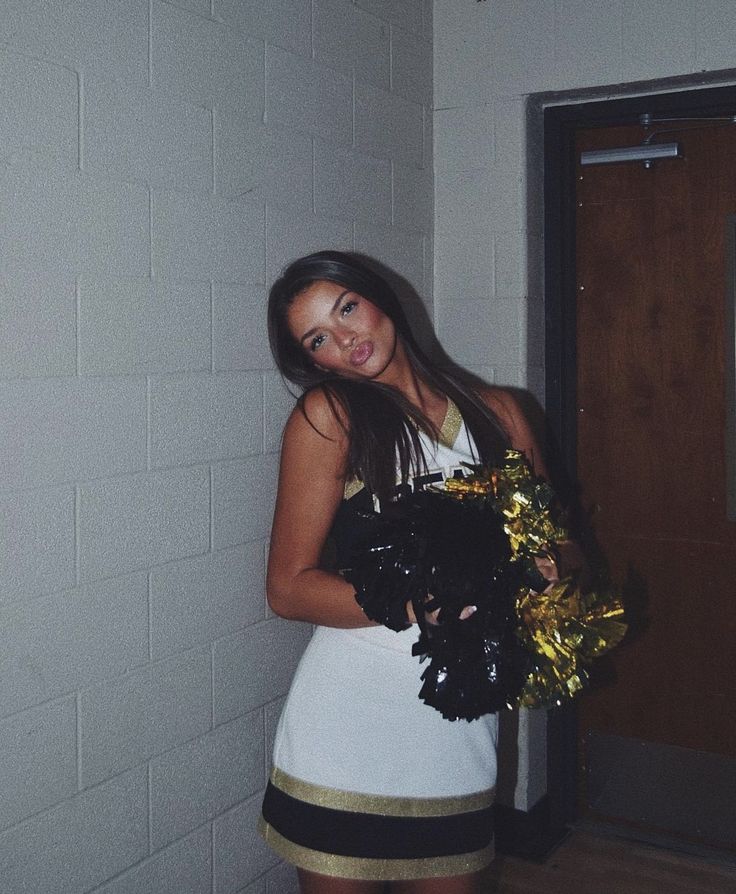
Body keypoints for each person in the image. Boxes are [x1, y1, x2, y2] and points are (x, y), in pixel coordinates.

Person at [258, 251, 566, 893]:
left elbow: (557, 547)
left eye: (347, 309)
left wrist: (547, 573)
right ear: (313, 360)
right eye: (320, 338)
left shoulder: (501, 414)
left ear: (380, 299)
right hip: (348, 721)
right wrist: (415, 606)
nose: (345, 339)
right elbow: (288, 588)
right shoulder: (331, 418)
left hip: (460, 723)